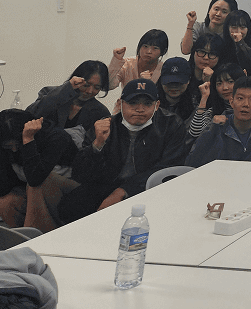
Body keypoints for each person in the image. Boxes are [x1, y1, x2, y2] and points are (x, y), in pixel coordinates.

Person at [59, 79, 188, 223]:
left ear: (156, 105)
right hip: (108, 184)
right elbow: (80, 174)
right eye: (133, 103)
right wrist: (97, 145)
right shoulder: (106, 126)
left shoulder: (171, 125)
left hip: (149, 187)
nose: (140, 109)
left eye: (147, 103)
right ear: (120, 103)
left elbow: (168, 167)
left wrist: (124, 191)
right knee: (69, 207)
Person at [0, 109, 78, 233]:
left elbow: (35, 179)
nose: (14, 150)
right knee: (4, 203)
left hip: (70, 191)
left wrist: (28, 141)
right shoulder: (4, 145)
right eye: (8, 146)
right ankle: (25, 235)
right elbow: (1, 190)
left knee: (37, 185)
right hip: (34, 189)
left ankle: (34, 239)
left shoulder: (56, 137)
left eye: (17, 144)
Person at [186, 76, 251, 166]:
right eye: (240, 98)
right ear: (231, 101)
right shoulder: (218, 125)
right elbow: (192, 162)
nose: (246, 104)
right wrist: (212, 130)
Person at [26, 61, 112, 144]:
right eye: (86, 85)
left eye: (97, 88)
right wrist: (66, 89)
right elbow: (30, 114)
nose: (90, 91)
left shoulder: (100, 111)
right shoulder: (51, 93)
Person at [106, 28, 168, 106]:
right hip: (126, 108)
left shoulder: (164, 69)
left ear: (163, 51)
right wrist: (116, 61)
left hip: (152, 109)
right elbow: (109, 86)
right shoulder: (127, 64)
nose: (148, 51)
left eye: (155, 48)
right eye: (145, 46)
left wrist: (147, 84)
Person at [225, 10, 251, 76]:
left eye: (243, 27)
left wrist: (240, 43)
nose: (238, 31)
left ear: (248, 28)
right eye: (234, 27)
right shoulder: (223, 42)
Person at [156, 57, 195, 123]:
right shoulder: (151, 102)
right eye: (169, 82)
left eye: (179, 83)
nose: (174, 87)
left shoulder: (196, 104)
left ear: (189, 80)